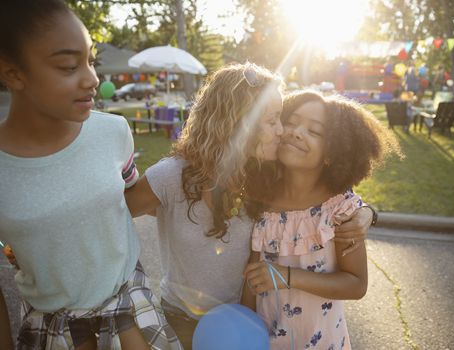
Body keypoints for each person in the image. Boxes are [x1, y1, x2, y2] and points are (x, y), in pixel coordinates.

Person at [125, 63, 375, 349]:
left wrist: (366, 213)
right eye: (273, 120)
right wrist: (130, 307)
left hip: (245, 323)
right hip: (180, 320)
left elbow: (321, 194)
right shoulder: (171, 177)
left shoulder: (261, 180)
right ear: (239, 123)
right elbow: (109, 218)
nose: (282, 131)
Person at [0, 1, 179, 349]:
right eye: (69, 66)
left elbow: (126, 197)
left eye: (91, 61)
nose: (93, 79)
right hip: (55, 324)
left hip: (130, 306)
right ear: (12, 73)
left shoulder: (114, 132)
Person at [241, 91, 402, 349]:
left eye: (314, 131)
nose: (296, 132)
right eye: (291, 122)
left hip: (321, 342)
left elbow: (356, 284)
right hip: (264, 340)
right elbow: (253, 278)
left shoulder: (340, 211)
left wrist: (288, 276)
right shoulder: (261, 201)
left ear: (333, 152)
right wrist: (242, 327)